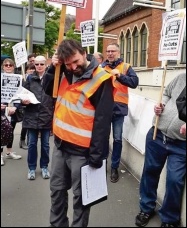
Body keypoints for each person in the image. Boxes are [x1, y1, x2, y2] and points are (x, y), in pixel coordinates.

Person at [42, 39, 114, 227]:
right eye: (68, 64)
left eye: (76, 61)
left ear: (83, 53)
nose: (74, 67)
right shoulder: (63, 71)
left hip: (82, 153)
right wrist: (52, 68)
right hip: (59, 145)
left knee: (81, 199)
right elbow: (48, 89)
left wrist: (97, 156)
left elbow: (103, 121)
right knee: (57, 191)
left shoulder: (101, 79)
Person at [135, 72, 186, 227]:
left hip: (181, 144)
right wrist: (161, 105)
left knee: (174, 180)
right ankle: (146, 207)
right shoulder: (182, 77)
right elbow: (166, 93)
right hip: (158, 133)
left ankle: (170, 219)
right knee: (150, 171)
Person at [102, 42, 139, 183]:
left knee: (117, 139)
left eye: (113, 51)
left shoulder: (125, 67)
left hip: (119, 108)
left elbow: (134, 83)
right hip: (104, 109)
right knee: (104, 138)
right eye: (108, 51)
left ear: (118, 52)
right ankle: (102, 164)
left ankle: (114, 167)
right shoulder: (101, 67)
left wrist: (119, 76)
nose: (110, 53)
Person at [22, 55, 54, 180]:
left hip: (46, 115)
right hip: (31, 116)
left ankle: (45, 166)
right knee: (32, 144)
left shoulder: (51, 78)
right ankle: (31, 168)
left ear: (46, 64)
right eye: (37, 64)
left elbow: (54, 96)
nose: (39, 66)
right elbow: (22, 95)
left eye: (41, 64)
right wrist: (23, 101)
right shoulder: (30, 78)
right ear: (34, 65)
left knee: (45, 145)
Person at [1, 58, 22, 166]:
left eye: (10, 65)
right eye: (6, 65)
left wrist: (16, 107)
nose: (8, 67)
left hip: (12, 109)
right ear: (3, 67)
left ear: (14, 67)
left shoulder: (19, 79)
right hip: (1, 109)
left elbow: (20, 95)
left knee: (10, 131)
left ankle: (9, 152)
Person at [19, 63, 36, 149]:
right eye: (30, 69)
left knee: (30, 125)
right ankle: (22, 140)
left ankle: (28, 141)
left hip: (32, 104)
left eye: (33, 69)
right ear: (26, 70)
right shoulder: (22, 79)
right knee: (25, 124)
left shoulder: (35, 79)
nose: (32, 70)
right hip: (23, 105)